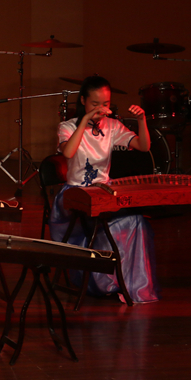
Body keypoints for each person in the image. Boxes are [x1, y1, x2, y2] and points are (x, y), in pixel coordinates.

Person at [48, 75, 159, 303]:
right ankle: (103, 282)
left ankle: (130, 285)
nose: (101, 109)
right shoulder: (67, 126)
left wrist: (141, 120)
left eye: (105, 104)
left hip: (103, 193)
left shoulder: (112, 126)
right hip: (74, 195)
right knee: (113, 223)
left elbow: (143, 146)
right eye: (94, 103)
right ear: (82, 101)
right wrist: (84, 121)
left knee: (137, 221)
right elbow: (68, 152)